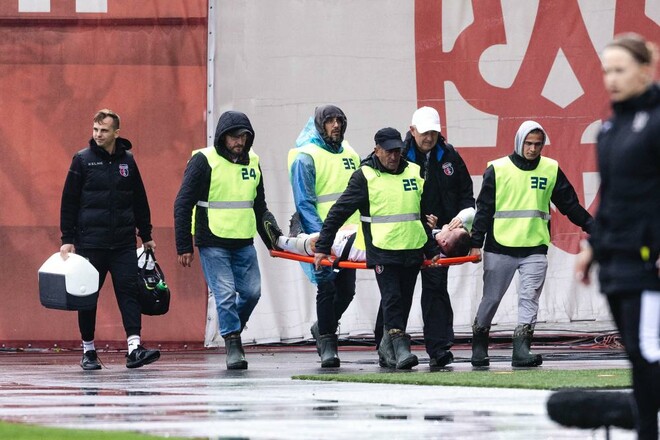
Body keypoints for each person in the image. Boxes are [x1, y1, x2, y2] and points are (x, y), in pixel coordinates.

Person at [575, 33, 659, 440]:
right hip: (616, 261)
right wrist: (591, 247)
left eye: (620, 70)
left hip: (648, 262)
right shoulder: (608, 129)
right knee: (638, 359)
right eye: (606, 70)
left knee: (649, 355)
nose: (611, 79)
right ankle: (643, 426)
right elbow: (612, 198)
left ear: (646, 69)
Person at [469, 120, 593, 368]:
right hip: (499, 246)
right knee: (491, 299)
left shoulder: (550, 169)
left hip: (535, 248)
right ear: (518, 141)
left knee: (529, 299)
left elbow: (569, 205)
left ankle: (521, 349)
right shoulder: (498, 169)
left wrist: (593, 227)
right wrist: (475, 244)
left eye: (538, 144)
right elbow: (483, 210)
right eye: (528, 143)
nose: (533, 149)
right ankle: (479, 342)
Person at [314, 127, 431, 370]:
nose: (393, 156)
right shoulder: (364, 177)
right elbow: (338, 212)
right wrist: (323, 245)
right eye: (388, 151)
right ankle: (400, 348)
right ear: (376, 149)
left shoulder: (414, 172)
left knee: (404, 301)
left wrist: (431, 248)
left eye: (397, 151)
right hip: (382, 250)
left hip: (411, 248)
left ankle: (387, 350)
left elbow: (421, 214)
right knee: (393, 299)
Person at [173, 110, 282, 370]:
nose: (239, 142)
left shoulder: (253, 161)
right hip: (212, 239)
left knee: (252, 293)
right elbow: (183, 203)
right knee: (224, 294)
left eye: (244, 137)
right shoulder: (203, 161)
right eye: (234, 136)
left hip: (243, 240)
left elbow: (259, 206)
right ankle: (233, 343)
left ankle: (230, 327)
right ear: (222, 137)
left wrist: (272, 242)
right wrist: (184, 245)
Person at [373, 106, 476, 369]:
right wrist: (419, 218)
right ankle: (386, 345)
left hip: (438, 237)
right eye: (423, 132)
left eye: (433, 132)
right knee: (397, 294)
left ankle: (439, 348)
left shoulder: (450, 155)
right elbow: (379, 191)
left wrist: (459, 220)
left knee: (435, 290)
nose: (428, 138)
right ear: (412, 131)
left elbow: (466, 193)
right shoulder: (396, 154)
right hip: (404, 236)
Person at [60, 109, 160, 370]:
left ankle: (134, 349)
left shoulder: (128, 160)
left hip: (123, 243)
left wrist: (146, 235)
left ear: (117, 132)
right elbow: (68, 202)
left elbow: (139, 199)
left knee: (129, 293)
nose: (98, 134)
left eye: (104, 130)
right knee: (88, 297)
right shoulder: (82, 160)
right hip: (90, 243)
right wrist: (67, 239)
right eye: (95, 129)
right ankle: (89, 351)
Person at [288, 105, 360, 367]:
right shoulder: (305, 158)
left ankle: (322, 327)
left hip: (349, 237)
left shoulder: (350, 154)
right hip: (320, 237)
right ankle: (328, 343)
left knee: (347, 291)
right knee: (326, 287)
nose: (336, 125)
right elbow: (305, 203)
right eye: (329, 121)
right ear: (319, 125)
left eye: (339, 120)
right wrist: (323, 239)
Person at [276, 221, 470, 261]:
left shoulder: (428, 245)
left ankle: (282, 241)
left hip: (360, 248)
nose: (450, 225)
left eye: (452, 230)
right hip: (367, 238)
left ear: (444, 243)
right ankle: (297, 236)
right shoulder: (436, 238)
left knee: (317, 244)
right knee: (343, 231)